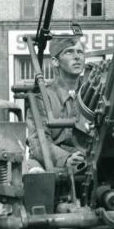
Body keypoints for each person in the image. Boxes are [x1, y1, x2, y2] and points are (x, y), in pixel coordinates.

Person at [26, 36, 88, 171]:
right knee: (33, 171)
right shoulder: (42, 98)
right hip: (56, 165)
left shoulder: (91, 94)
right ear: (55, 62)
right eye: (69, 52)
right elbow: (38, 143)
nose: (77, 57)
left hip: (89, 158)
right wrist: (66, 158)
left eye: (80, 52)